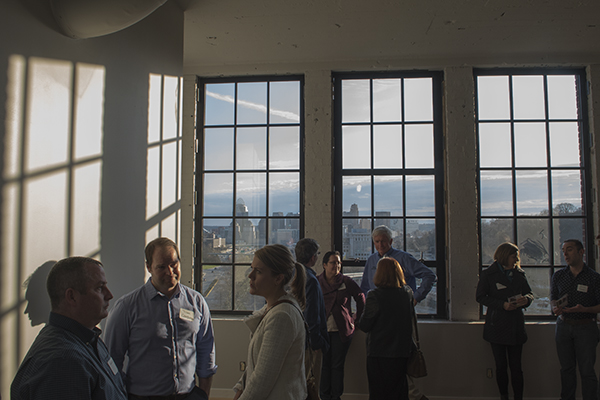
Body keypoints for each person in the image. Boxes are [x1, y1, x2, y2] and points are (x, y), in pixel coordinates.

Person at [104, 237, 216, 400]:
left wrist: (204, 394)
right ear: (148, 267)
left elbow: (206, 350)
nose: (170, 272)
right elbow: (111, 359)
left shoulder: (196, 302)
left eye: (173, 264)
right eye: (161, 267)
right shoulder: (127, 307)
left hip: (189, 395)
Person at [11, 256, 127, 400]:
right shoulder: (63, 363)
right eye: (99, 288)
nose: (109, 295)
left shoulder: (89, 338)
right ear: (72, 297)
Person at [360, 225, 436, 400]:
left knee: (394, 376)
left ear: (391, 241)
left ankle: (415, 396)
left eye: (383, 241)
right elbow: (364, 288)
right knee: (391, 379)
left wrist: (415, 298)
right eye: (377, 242)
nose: (380, 245)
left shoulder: (403, 258)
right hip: (378, 323)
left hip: (398, 320)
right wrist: (366, 308)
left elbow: (429, 275)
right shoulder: (371, 260)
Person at [233, 244, 307, 400]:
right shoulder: (272, 309)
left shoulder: (282, 316)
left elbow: (262, 380)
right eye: (252, 268)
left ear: (278, 278)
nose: (250, 275)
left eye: (258, 271)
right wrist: (240, 388)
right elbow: (257, 366)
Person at [475, 242, 533, 400]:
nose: (516, 259)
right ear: (504, 256)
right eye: (514, 256)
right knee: (500, 367)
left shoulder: (519, 274)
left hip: (515, 325)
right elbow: (480, 297)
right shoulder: (488, 275)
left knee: (516, 368)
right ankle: (504, 396)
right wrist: (502, 305)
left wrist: (525, 300)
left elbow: (529, 293)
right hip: (497, 325)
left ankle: (518, 397)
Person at [358, 257, 415, 400]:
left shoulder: (374, 295)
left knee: (379, 392)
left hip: (379, 352)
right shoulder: (407, 293)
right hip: (402, 351)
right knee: (399, 391)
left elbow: (365, 325)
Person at [551, 239, 600, 400]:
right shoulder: (558, 276)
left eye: (569, 249)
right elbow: (553, 298)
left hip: (586, 327)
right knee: (566, 369)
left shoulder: (594, 278)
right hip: (563, 326)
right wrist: (555, 308)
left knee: (587, 371)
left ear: (581, 252)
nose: (565, 253)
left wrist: (584, 309)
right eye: (563, 250)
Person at [318, 251, 365, 400]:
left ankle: (335, 396)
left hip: (342, 330)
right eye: (333, 262)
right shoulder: (317, 282)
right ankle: (324, 395)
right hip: (323, 330)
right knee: (325, 365)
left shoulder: (346, 281)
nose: (336, 266)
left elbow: (361, 298)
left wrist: (356, 319)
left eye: (338, 262)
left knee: (337, 365)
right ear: (324, 265)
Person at [295, 238, 329, 394]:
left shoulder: (292, 275)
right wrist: (317, 343)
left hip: (297, 341)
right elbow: (312, 315)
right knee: (311, 387)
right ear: (313, 257)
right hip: (309, 344)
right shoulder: (311, 281)